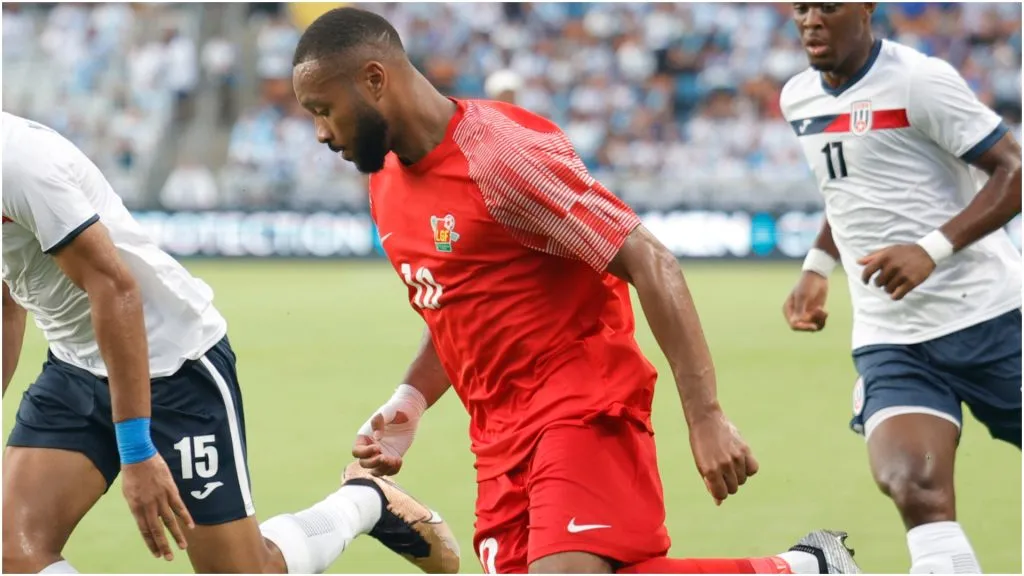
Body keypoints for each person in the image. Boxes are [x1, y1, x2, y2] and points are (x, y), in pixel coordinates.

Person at [291, 7, 859, 575]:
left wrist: (705, 415)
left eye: (324, 110)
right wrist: (410, 400)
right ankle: (806, 569)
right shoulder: (384, 180)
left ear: (373, 80)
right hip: (498, 442)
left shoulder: (502, 158)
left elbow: (650, 258)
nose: (321, 132)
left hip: (582, 409)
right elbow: (460, 303)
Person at [1, 111, 460, 575]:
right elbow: (6, 299)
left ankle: (365, 501)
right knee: (12, 553)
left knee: (241, 570)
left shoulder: (19, 163)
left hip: (172, 361)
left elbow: (117, 289)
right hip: (75, 364)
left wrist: (136, 448)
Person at [779, 3, 1022, 574]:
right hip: (892, 336)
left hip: (988, 317)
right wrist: (819, 264)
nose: (811, 19)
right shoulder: (798, 98)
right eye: (801, 7)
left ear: (865, 8)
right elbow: (846, 189)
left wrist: (931, 250)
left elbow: (1013, 170)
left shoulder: (918, 81)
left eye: (828, 6)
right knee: (912, 485)